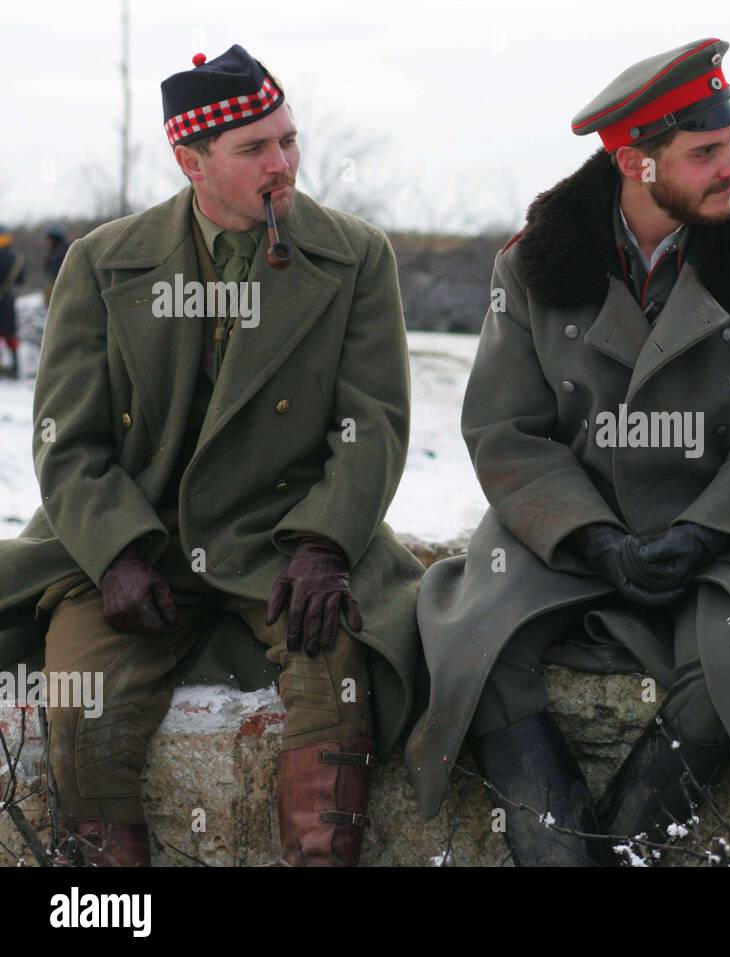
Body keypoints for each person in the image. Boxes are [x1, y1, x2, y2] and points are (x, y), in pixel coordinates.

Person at [405, 37, 730, 865]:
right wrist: (591, 535)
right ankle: (561, 849)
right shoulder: (533, 266)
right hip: (577, 525)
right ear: (635, 164)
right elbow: (505, 431)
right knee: (476, 641)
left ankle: (613, 848)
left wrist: (703, 531)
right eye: (705, 153)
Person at [0, 45, 424, 866]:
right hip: (135, 537)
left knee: (332, 676)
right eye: (255, 149)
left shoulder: (357, 256)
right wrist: (116, 553)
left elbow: (373, 423)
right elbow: (66, 439)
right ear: (191, 161)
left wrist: (326, 545)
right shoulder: (100, 263)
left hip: (283, 539)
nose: (283, 165)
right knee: (83, 703)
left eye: (288, 140)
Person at [0, 224, 24, 379]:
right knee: (10, 336)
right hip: (8, 300)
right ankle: (15, 369)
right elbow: (21, 280)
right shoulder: (17, 259)